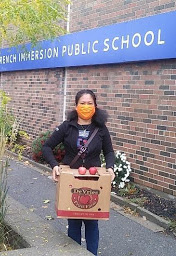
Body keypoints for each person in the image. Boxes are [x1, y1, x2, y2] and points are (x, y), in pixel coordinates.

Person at [42, 89, 115, 255]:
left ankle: (92, 253)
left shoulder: (101, 129)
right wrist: (54, 165)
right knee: (74, 223)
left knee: (92, 224)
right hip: (71, 181)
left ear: (95, 106)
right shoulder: (67, 127)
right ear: (76, 106)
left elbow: (109, 152)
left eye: (90, 103)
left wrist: (110, 167)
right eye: (82, 103)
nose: (86, 107)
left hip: (94, 181)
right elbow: (46, 147)